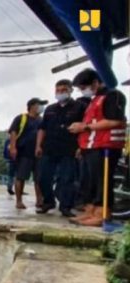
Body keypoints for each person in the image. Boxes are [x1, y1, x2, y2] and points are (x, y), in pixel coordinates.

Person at [68, 68, 128, 226]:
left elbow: (115, 121)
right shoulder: (95, 99)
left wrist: (84, 127)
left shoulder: (113, 96)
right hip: (91, 146)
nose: (83, 91)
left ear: (95, 82)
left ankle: (102, 214)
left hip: (106, 146)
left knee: (102, 181)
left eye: (84, 87)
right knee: (90, 182)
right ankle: (90, 211)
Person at [36, 79, 86, 217]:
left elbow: (84, 129)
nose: (60, 93)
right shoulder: (50, 109)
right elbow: (42, 128)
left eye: (63, 90)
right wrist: (38, 145)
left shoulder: (79, 107)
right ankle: (48, 202)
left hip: (69, 149)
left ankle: (66, 207)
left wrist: (81, 147)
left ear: (70, 90)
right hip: (49, 148)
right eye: (58, 90)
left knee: (67, 179)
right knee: (42, 178)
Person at [8, 98, 47, 210]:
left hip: (39, 153)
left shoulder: (42, 120)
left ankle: (39, 200)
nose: (41, 107)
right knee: (21, 177)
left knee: (39, 178)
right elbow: (13, 132)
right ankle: (19, 201)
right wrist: (13, 147)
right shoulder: (21, 118)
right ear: (32, 106)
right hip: (23, 152)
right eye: (40, 105)